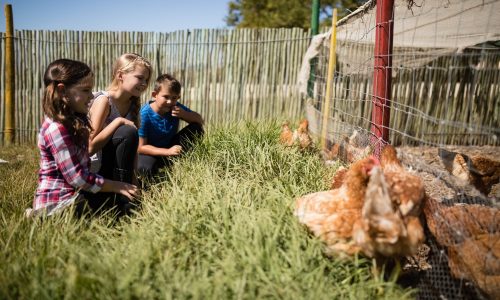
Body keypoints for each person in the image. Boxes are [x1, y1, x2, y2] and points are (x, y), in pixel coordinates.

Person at [31, 59, 139, 217]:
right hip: (59, 203)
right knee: (101, 212)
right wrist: (118, 185)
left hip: (78, 193)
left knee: (118, 209)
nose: (91, 96)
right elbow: (77, 178)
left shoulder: (74, 122)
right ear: (62, 91)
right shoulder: (56, 129)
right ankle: (39, 216)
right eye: (86, 90)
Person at [88, 53, 152, 211]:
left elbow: (132, 149)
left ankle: (125, 194)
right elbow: (89, 148)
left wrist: (134, 179)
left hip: (116, 168)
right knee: (126, 131)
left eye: (146, 80)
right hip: (93, 170)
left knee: (129, 133)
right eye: (139, 78)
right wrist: (118, 121)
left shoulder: (133, 105)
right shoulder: (104, 101)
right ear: (120, 75)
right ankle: (120, 200)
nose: (144, 83)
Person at [137, 74, 204, 177]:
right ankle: (157, 171)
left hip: (170, 147)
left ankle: (179, 161)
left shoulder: (175, 107)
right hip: (150, 153)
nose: (170, 102)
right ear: (155, 95)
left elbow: (200, 120)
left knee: (196, 128)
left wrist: (184, 114)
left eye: (174, 98)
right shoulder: (144, 114)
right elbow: (141, 147)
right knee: (144, 168)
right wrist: (167, 152)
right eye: (166, 97)